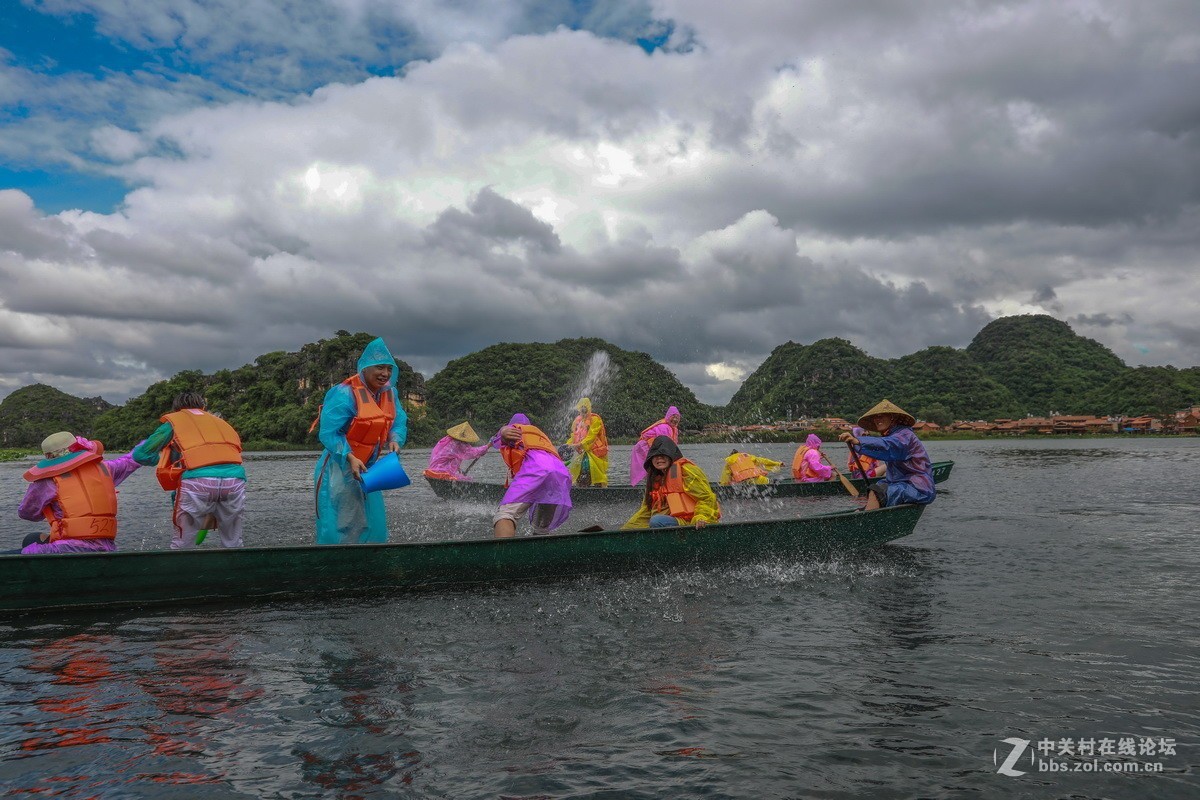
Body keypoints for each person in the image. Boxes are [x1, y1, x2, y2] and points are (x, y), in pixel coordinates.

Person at [312, 337, 409, 545]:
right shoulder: (344, 394)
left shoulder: (390, 394)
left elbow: (398, 421)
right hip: (339, 466)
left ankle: (367, 562)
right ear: (365, 368)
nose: (385, 374)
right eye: (379, 368)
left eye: (389, 369)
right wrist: (349, 457)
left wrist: (395, 439)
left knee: (369, 521)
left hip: (369, 468)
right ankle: (337, 563)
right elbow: (329, 432)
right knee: (342, 521)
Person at [133, 392, 246, 549]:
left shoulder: (175, 421)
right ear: (203, 407)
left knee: (182, 543)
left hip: (198, 483)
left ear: (177, 409)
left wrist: (160, 460)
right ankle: (236, 569)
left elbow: (140, 455)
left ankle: (181, 569)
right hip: (235, 481)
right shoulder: (221, 422)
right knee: (233, 541)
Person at [18, 432, 141, 554]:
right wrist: (155, 440)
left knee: (29, 542)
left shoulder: (47, 481)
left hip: (68, 548)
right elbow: (132, 459)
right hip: (107, 547)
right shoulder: (105, 468)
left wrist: (49, 508)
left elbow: (26, 513)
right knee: (34, 538)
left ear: (48, 457)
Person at [839, 400, 936, 510]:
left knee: (877, 491)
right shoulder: (893, 435)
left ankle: (868, 518)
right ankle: (866, 512)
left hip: (918, 488)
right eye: (875, 417)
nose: (877, 420)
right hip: (902, 484)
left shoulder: (905, 435)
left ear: (892, 418)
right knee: (877, 487)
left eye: (881, 416)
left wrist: (859, 441)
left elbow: (888, 445)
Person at [492, 413, 572, 537]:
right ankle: (540, 552)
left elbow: (499, 438)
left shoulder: (515, 431)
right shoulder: (539, 435)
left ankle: (503, 554)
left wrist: (502, 432)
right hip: (560, 474)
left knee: (505, 515)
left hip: (536, 469)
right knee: (541, 527)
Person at [623, 436, 720, 529]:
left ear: (671, 455)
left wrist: (702, 517)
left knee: (656, 521)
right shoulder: (655, 478)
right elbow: (646, 510)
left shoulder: (686, 471)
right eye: (655, 456)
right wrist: (625, 531)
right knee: (634, 526)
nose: (659, 459)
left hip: (692, 523)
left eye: (663, 455)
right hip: (668, 521)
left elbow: (707, 498)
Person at [629, 406, 681, 485]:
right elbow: (664, 445)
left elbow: (672, 446)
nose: (675, 420)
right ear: (668, 417)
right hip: (644, 449)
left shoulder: (674, 429)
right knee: (650, 469)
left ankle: (668, 483)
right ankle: (653, 486)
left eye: (677, 418)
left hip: (653, 449)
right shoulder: (664, 427)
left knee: (671, 464)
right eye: (672, 417)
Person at [424, 422, 490, 481]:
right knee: (467, 479)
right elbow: (473, 453)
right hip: (441, 472)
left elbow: (447, 456)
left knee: (460, 472)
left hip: (432, 470)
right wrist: (488, 445)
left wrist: (459, 470)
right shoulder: (458, 444)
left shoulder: (446, 439)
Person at [565, 398, 609, 487]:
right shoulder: (578, 420)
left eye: (585, 407)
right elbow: (574, 435)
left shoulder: (595, 419)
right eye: (581, 408)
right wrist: (568, 444)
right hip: (582, 452)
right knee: (581, 471)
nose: (583, 410)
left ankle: (598, 491)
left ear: (589, 408)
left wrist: (580, 444)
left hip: (594, 451)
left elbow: (592, 435)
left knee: (595, 471)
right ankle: (583, 489)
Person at [719, 449, 784, 485]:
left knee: (733, 482)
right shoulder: (748, 456)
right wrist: (778, 464)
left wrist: (723, 486)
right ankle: (775, 482)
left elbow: (725, 476)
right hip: (760, 480)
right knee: (769, 482)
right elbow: (764, 461)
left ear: (730, 455)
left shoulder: (730, 461)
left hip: (744, 484)